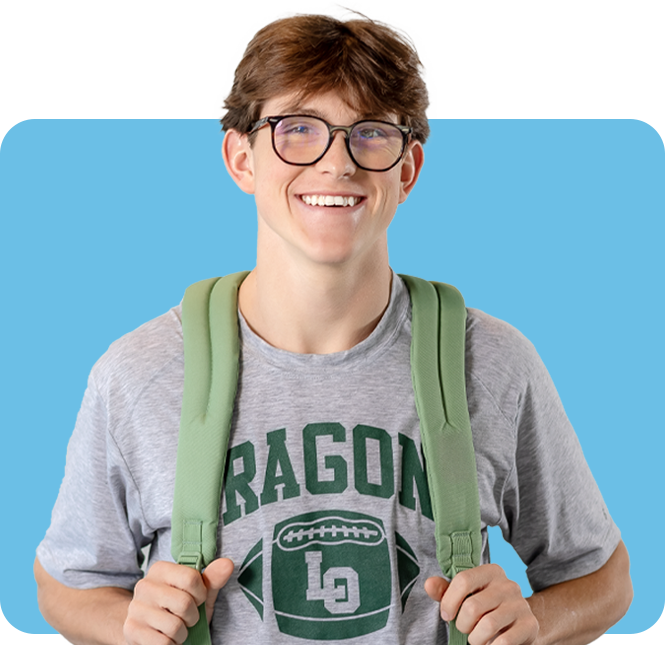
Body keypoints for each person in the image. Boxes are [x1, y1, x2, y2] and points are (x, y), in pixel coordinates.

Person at [34, 7, 632, 645]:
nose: (336, 163)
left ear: (407, 168)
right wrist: (130, 624)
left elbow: (605, 581)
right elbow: (66, 583)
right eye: (297, 129)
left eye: (370, 132)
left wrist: (533, 623)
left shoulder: (491, 362)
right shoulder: (140, 372)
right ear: (241, 158)